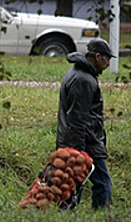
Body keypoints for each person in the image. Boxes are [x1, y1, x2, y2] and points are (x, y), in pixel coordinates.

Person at [56, 38, 115, 210]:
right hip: (84, 142)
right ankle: (101, 216)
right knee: (102, 183)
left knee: (75, 183)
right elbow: (77, 119)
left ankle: (66, 215)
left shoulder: (78, 72)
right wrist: (78, 151)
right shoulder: (84, 80)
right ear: (97, 56)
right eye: (107, 58)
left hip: (77, 140)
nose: (108, 63)